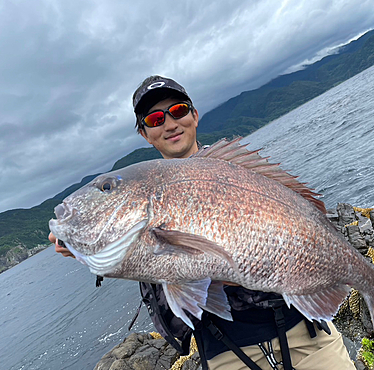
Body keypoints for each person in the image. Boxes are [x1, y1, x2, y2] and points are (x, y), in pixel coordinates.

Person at [49, 75, 355, 370]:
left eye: (178, 111)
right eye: (155, 120)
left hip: (306, 334)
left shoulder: (240, 172)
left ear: (194, 115)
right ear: (145, 133)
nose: (169, 124)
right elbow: (161, 271)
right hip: (227, 355)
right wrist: (83, 248)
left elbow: (299, 219)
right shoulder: (144, 207)